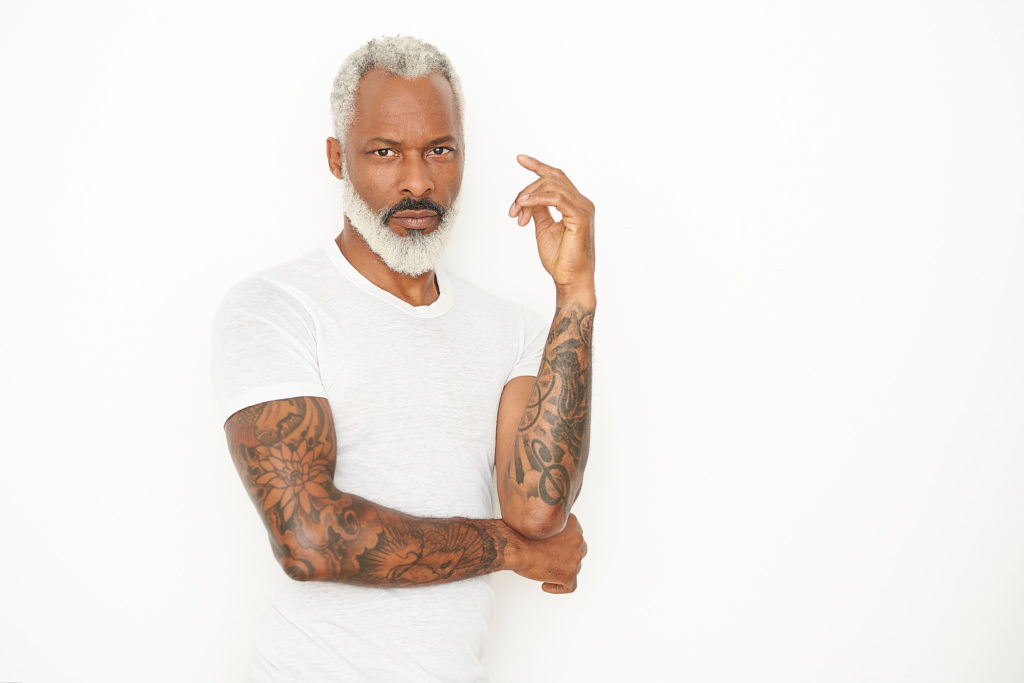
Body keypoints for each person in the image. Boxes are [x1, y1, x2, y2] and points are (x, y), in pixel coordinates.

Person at [211, 35, 595, 682]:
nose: (418, 182)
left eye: (439, 150)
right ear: (338, 158)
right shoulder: (277, 306)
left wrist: (575, 294)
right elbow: (308, 538)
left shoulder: (514, 330)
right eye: (384, 151)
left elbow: (536, 511)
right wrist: (510, 551)